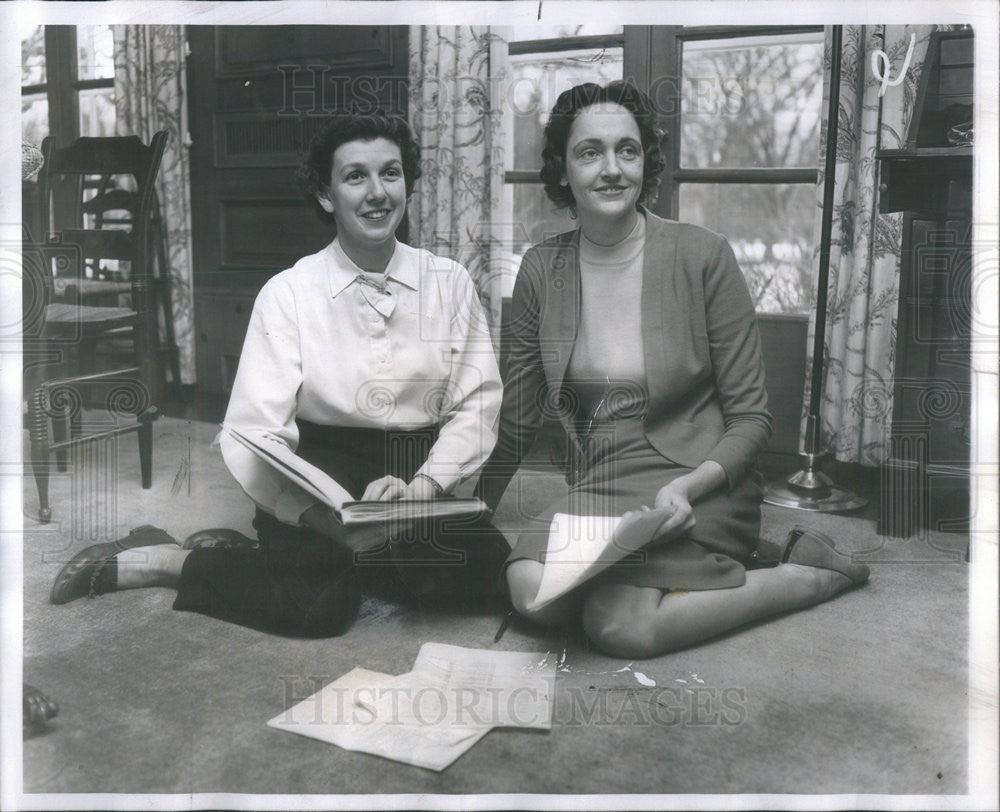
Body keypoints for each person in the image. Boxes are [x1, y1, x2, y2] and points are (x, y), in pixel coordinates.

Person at [51, 111, 510, 637]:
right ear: (325, 194)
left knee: (488, 577)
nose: (378, 192)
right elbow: (252, 432)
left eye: (391, 172)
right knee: (317, 607)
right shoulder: (288, 293)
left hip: (419, 467)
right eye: (355, 176)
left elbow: (476, 405)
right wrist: (315, 517)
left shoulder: (449, 283)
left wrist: (427, 488)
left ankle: (301, 559)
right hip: (323, 472)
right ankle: (163, 559)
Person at [476, 81, 869, 659]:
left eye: (627, 151)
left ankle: (804, 576)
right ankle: (712, 564)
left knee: (620, 628)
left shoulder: (702, 254)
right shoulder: (540, 268)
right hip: (600, 483)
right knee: (533, 594)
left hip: (693, 475)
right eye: (590, 152)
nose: (611, 169)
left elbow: (752, 420)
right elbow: (518, 414)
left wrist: (688, 487)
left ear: (645, 161)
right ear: (563, 170)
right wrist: (472, 505)